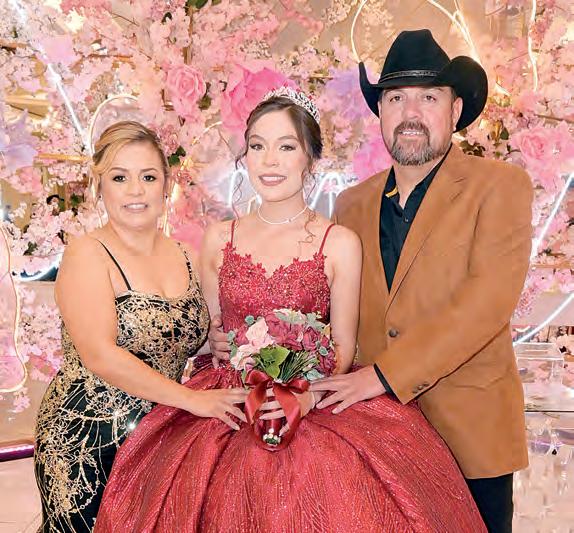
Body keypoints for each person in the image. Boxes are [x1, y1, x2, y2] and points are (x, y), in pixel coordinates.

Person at [95, 90, 485, 532]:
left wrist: (305, 394)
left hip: (311, 399)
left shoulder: (339, 242)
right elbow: (210, 334)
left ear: (309, 159)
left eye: (286, 147)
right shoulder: (219, 238)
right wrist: (213, 344)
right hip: (230, 402)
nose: (270, 161)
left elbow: (343, 345)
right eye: (258, 146)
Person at [309, 30, 533, 533]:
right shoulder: (350, 204)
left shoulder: (500, 187)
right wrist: (253, 335)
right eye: (396, 98)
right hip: (375, 439)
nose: (410, 113)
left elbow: (485, 305)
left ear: (455, 111)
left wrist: (384, 376)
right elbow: (332, 307)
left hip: (469, 440)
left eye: (428, 97)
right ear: (380, 112)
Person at [34, 121, 247, 532]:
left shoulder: (186, 255)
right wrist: (192, 400)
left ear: (166, 185)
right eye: (120, 178)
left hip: (161, 438)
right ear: (100, 187)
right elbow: (100, 354)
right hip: (86, 443)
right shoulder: (86, 253)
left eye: (148, 177)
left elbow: (176, 337)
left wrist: (214, 344)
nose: (135, 191)